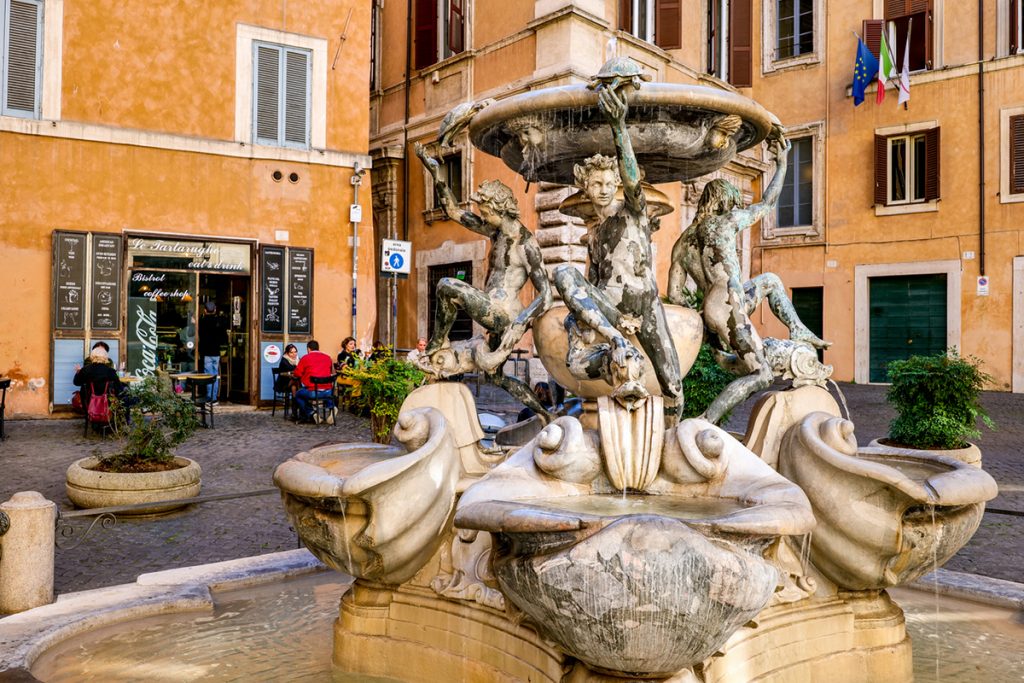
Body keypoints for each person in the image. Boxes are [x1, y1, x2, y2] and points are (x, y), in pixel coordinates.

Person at [665, 126, 828, 424]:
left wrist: (704, 327)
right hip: (728, 307)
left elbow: (675, 296)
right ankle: (705, 421)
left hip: (715, 308)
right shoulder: (725, 222)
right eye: (732, 204)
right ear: (723, 203)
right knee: (761, 373)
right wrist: (782, 163)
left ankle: (797, 330)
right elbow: (767, 203)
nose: (734, 209)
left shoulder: (681, 244)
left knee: (769, 281)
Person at [552, 84, 683, 418]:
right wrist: (579, 321)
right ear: (585, 185)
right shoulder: (594, 237)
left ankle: (672, 434)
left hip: (645, 303)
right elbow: (590, 283)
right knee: (563, 273)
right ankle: (618, 345)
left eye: (610, 183)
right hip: (611, 311)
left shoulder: (634, 211)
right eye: (596, 184)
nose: (604, 189)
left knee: (672, 382)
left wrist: (618, 127)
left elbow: (632, 177)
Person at [415, 144, 554, 422]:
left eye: (486, 211)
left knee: (446, 285)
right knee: (497, 377)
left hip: (504, 314)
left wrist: (519, 323)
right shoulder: (495, 232)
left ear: (500, 210)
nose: (483, 216)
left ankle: (436, 343)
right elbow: (454, 211)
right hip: (494, 311)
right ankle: (545, 415)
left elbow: (547, 295)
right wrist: (435, 172)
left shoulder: (526, 244)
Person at [293, 340, 336, 424]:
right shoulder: (327, 357)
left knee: (298, 395)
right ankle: (331, 406)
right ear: (318, 348)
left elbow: (297, 373)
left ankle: (312, 413)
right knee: (325, 392)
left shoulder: (306, 358)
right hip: (329, 391)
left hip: (313, 392)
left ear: (308, 349)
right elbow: (332, 372)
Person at [73, 345, 124, 414]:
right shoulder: (110, 371)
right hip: (108, 404)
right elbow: (119, 387)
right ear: (105, 357)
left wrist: (78, 373)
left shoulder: (85, 370)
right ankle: (121, 419)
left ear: (92, 356)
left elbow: (76, 383)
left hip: (89, 403)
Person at [197, 301, 228, 403]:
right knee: (215, 375)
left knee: (208, 375)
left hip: (206, 352)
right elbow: (224, 337)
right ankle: (214, 397)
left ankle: (210, 398)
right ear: (215, 310)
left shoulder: (202, 321)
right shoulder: (220, 321)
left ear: (205, 311)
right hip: (216, 352)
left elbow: (200, 336)